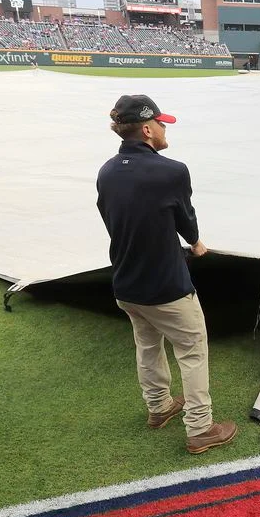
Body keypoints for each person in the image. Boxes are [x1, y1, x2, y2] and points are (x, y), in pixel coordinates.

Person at [95, 94, 238, 454]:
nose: (163, 128)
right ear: (146, 129)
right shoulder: (171, 170)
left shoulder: (107, 172)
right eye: (160, 123)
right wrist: (196, 242)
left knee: (147, 346)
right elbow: (184, 219)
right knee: (192, 350)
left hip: (126, 285)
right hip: (166, 288)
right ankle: (201, 428)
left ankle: (158, 407)